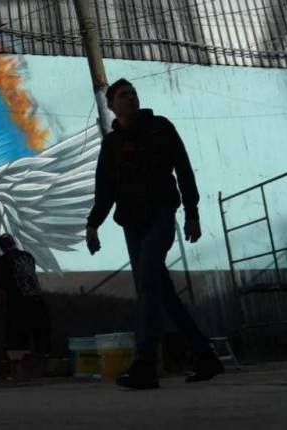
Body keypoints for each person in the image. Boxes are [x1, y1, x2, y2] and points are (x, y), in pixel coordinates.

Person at [86, 78, 223, 390]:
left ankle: (146, 363)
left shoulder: (159, 127)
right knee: (162, 293)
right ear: (111, 106)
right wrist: (93, 225)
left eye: (133, 93)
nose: (131, 98)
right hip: (131, 223)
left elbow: (183, 169)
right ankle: (205, 355)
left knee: (147, 281)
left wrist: (192, 212)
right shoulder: (111, 144)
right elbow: (104, 189)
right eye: (123, 95)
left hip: (160, 213)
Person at [0, 234, 51, 356]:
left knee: (18, 341)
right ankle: (44, 362)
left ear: (2, 248)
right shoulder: (28, 256)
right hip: (37, 301)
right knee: (41, 339)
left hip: (17, 305)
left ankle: (21, 364)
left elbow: (0, 288)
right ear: (14, 243)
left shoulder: (2, 261)